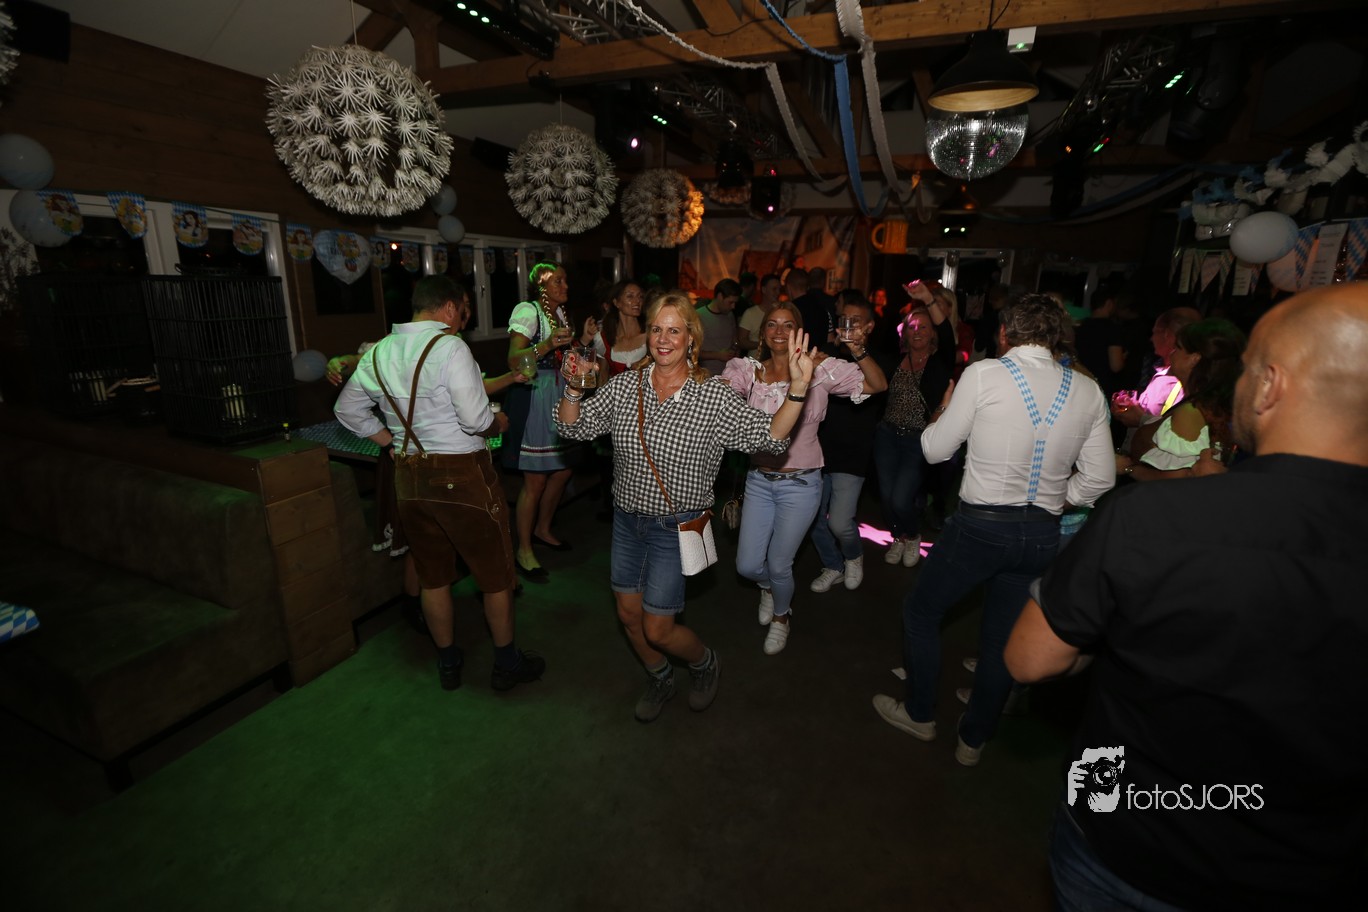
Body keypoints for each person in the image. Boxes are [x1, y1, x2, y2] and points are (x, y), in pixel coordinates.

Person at [1004, 284, 1368, 910]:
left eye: (1248, 368)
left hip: (1131, 846)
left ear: (1270, 385)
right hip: (1309, 871)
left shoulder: (1155, 519)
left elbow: (1030, 658)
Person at [872, 294, 1113, 766]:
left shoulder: (985, 374)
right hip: (1041, 535)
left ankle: (920, 714)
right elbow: (1100, 479)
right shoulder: (1087, 390)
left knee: (921, 612)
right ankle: (973, 740)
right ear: (1057, 336)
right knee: (1002, 638)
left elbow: (935, 450)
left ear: (1004, 333)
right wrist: (1054, 500)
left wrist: (939, 413)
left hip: (980, 528)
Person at [554, 292, 815, 721]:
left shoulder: (711, 395)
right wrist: (574, 385)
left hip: (675, 528)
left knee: (658, 628)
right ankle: (659, 676)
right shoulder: (626, 386)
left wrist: (799, 390)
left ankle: (704, 662)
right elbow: (573, 427)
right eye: (656, 329)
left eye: (674, 330)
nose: (663, 338)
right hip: (628, 522)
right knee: (628, 614)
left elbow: (769, 437)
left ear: (691, 337)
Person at [334, 276, 544, 693]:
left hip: (409, 476)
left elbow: (347, 410)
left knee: (433, 576)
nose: (463, 318)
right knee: (495, 575)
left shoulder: (378, 351)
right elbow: (475, 419)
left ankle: (448, 661)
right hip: (462, 475)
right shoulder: (450, 348)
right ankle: (506, 663)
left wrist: (390, 443)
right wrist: (498, 423)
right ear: (449, 308)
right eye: (463, 309)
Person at [722, 302, 887, 654]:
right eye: (772, 324)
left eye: (788, 325)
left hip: (801, 484)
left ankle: (782, 617)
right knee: (747, 566)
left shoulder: (820, 369)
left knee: (779, 563)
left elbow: (877, 384)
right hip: (759, 481)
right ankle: (769, 589)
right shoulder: (748, 371)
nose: (779, 331)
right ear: (763, 333)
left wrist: (857, 350)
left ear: (800, 332)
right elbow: (721, 397)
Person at [505, 262, 598, 583]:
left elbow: (565, 357)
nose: (565, 286)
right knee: (535, 480)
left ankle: (543, 528)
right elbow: (514, 360)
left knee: (562, 470)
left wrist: (583, 340)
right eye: (558, 281)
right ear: (542, 285)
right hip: (536, 395)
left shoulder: (559, 314)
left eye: (565, 280)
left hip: (558, 392)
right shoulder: (528, 311)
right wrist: (546, 345)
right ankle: (523, 549)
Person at [809, 293, 894, 593]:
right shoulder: (826, 355)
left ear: (869, 327)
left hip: (853, 452)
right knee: (814, 519)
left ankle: (853, 555)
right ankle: (833, 565)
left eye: (856, 321)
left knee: (839, 522)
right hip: (819, 449)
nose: (848, 326)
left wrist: (857, 351)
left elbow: (879, 385)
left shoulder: (879, 360)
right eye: (844, 319)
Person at [873, 287, 955, 568]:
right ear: (904, 333)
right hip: (886, 436)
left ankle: (913, 535)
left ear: (933, 334)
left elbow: (948, 333)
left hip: (917, 441)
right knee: (886, 497)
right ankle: (898, 536)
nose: (917, 331)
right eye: (912, 327)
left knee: (900, 499)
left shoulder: (940, 362)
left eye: (924, 327)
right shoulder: (896, 360)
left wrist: (928, 300)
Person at [1114, 318, 1245, 481]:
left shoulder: (1191, 412)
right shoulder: (1205, 402)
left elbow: (1176, 479)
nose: (1172, 353)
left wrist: (1127, 468)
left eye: (1177, 348)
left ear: (1194, 359)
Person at [1110, 307, 1200, 429]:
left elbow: (1177, 429)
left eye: (1154, 332)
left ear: (1167, 335)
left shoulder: (1187, 384)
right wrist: (1131, 406)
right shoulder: (1163, 371)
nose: (1151, 339)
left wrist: (1140, 420)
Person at [594, 280, 647, 377]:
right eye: (630, 296)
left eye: (640, 296)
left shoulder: (650, 335)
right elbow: (603, 376)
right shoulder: (604, 339)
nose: (637, 301)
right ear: (616, 303)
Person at [696, 278, 741, 374]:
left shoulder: (730, 315)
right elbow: (692, 351)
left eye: (735, 303)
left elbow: (735, 340)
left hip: (730, 373)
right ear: (720, 296)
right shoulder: (699, 316)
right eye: (730, 302)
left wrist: (736, 349)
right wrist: (718, 355)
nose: (733, 307)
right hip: (707, 374)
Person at [737, 273, 781, 357]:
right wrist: (762, 344)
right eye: (774, 289)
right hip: (755, 362)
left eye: (779, 289)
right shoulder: (751, 313)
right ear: (764, 290)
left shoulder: (782, 313)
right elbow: (741, 341)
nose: (778, 292)